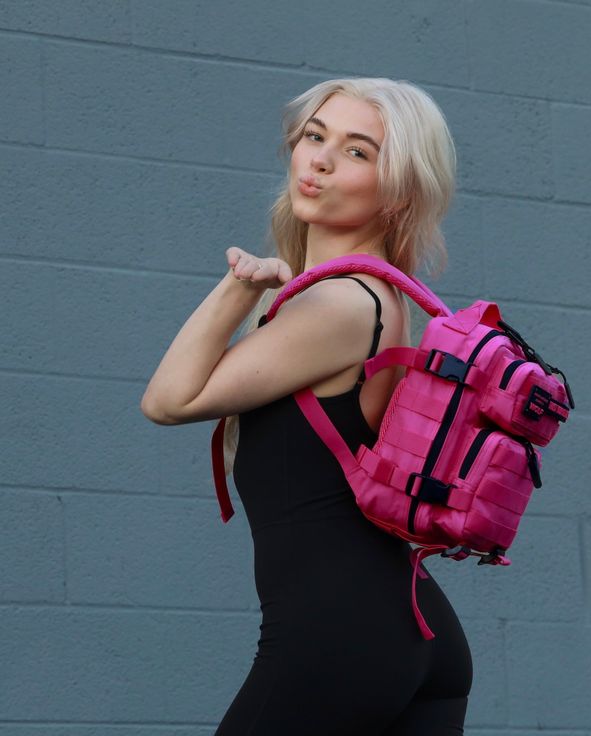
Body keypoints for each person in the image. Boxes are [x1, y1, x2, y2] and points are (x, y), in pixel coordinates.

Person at [140, 77, 473, 735]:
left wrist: (238, 287)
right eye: (314, 137)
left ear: (399, 187)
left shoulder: (341, 305)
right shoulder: (373, 298)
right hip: (413, 629)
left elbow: (169, 399)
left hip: (341, 637)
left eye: (356, 151)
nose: (318, 160)